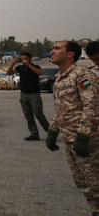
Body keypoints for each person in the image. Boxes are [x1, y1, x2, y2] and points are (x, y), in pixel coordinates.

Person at [46, 41, 99, 215]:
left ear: (70, 54)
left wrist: (83, 136)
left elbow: (92, 106)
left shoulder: (82, 75)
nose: (52, 51)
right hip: (70, 141)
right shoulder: (60, 77)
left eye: (57, 48)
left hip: (87, 141)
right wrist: (53, 130)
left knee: (96, 185)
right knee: (84, 185)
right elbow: (62, 108)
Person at [7, 52, 49, 141]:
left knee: (38, 114)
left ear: (30, 59)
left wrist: (29, 65)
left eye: (25, 59)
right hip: (24, 94)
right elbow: (9, 73)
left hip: (34, 94)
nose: (24, 60)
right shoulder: (20, 68)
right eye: (22, 59)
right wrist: (13, 63)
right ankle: (34, 133)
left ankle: (50, 131)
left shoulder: (35, 67)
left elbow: (39, 72)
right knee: (28, 115)